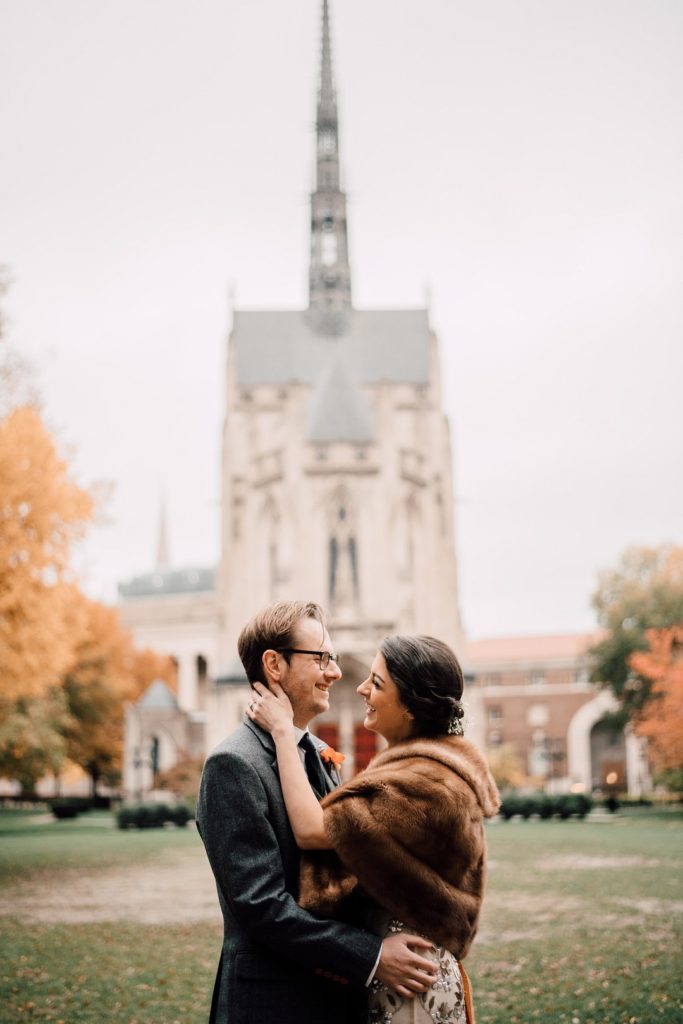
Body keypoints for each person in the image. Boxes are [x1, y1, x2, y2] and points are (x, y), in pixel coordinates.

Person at [196, 601, 439, 1024]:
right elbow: (261, 906)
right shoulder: (233, 764)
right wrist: (373, 956)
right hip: (275, 1005)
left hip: (333, 997)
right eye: (321, 658)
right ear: (274, 664)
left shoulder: (314, 755)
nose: (336, 673)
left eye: (335, 658)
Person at [247, 632, 500, 1024]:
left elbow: (313, 829)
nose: (362, 688)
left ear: (412, 706)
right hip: (404, 970)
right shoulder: (420, 765)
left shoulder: (426, 781)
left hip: (412, 982)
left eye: (377, 683)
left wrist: (282, 732)